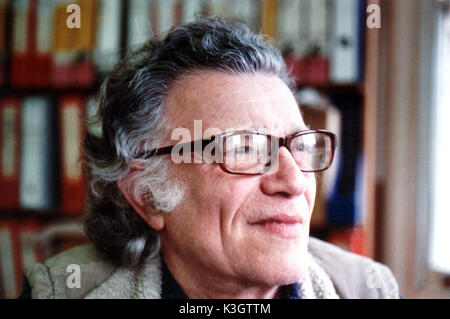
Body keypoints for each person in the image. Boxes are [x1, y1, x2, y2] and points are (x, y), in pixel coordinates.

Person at [20, 17, 399, 299]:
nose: (295, 181)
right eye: (244, 149)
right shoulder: (58, 292)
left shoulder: (369, 290)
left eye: (300, 145)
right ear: (148, 194)